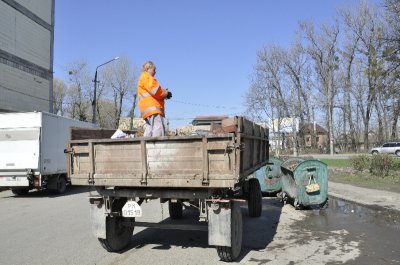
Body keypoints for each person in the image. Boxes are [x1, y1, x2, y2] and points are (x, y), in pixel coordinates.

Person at [137, 61, 172, 137]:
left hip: (147, 109)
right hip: (153, 108)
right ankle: (157, 146)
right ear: (147, 68)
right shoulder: (147, 77)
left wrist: (163, 91)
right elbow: (155, 91)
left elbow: (153, 90)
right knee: (158, 127)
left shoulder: (143, 78)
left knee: (149, 127)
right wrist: (166, 93)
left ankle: (146, 146)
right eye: (154, 70)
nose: (155, 72)